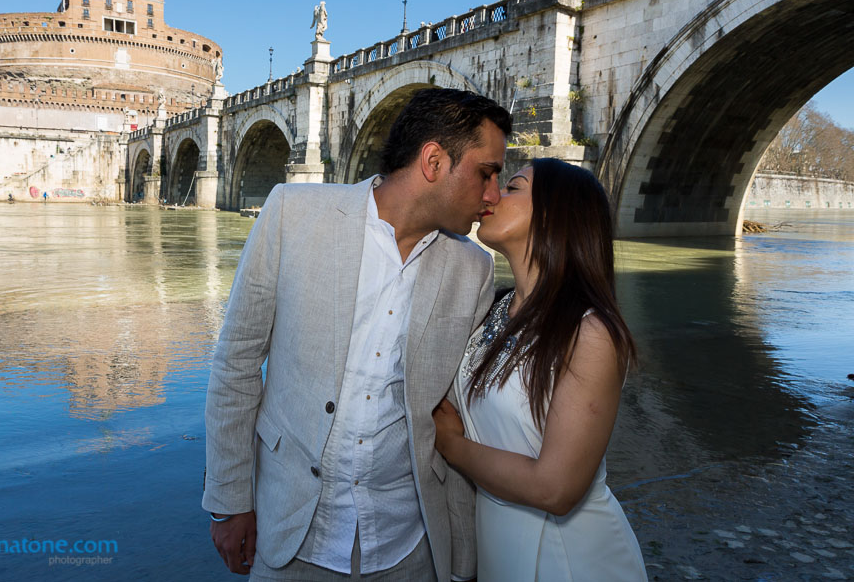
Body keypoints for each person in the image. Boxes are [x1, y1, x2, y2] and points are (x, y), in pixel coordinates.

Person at [203, 88, 512, 581]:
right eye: (486, 172)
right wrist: (229, 501)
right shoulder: (290, 213)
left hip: (407, 546)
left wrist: (460, 559)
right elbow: (237, 364)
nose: (493, 194)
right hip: (292, 532)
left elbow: (452, 414)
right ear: (433, 161)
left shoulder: (473, 268)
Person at [433, 158, 647, 581]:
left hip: (569, 558)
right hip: (498, 547)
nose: (491, 195)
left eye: (512, 187)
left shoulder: (591, 332)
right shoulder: (493, 307)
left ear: (554, 213)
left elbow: (556, 488)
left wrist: (451, 445)